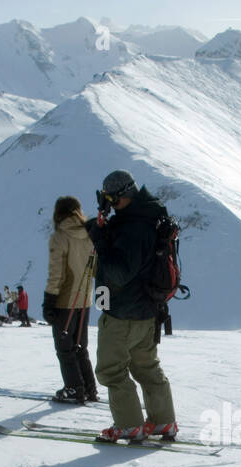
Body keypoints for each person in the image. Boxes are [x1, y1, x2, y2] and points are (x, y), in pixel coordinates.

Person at [84, 171, 177, 439]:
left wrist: (100, 241)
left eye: (113, 199)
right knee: (145, 366)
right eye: (106, 200)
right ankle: (163, 422)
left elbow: (119, 271)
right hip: (145, 310)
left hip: (123, 312)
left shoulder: (133, 227)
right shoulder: (144, 217)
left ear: (126, 195)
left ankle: (129, 425)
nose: (110, 205)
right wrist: (104, 232)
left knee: (111, 369)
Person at [46, 196, 99, 404]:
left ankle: (74, 388)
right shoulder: (89, 235)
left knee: (64, 348)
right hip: (84, 300)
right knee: (80, 347)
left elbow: (56, 274)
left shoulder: (60, 236)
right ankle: (89, 388)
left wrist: (49, 301)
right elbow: (95, 269)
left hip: (64, 301)